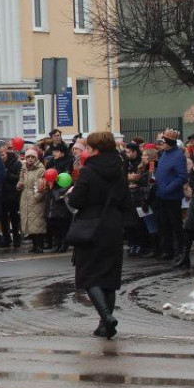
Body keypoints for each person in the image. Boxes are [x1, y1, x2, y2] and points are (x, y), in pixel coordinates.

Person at [65, 131, 132, 339]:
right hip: (113, 225)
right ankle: (104, 325)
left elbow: (77, 201)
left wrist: (71, 194)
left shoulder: (88, 170)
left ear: (95, 149)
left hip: (91, 225)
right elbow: (126, 200)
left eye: (88, 147)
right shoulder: (119, 169)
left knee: (88, 275)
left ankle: (106, 317)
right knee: (109, 277)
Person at [154, 129, 188, 262]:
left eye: (163, 142)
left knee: (175, 225)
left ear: (169, 143)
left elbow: (182, 177)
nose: (161, 145)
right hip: (161, 195)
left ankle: (179, 251)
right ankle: (167, 250)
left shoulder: (178, 156)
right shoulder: (164, 154)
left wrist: (168, 188)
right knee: (164, 224)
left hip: (172, 196)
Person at [17, 148, 47, 253]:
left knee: (37, 223)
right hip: (25, 197)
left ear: (36, 158)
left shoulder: (41, 170)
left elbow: (42, 186)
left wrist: (36, 198)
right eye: (28, 157)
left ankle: (39, 245)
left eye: (32, 157)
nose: (30, 159)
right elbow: (21, 181)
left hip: (36, 199)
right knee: (30, 223)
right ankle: (34, 246)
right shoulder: (24, 168)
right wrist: (19, 185)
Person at [0, 141, 22, 248]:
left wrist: (7, 173)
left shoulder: (17, 163)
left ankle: (16, 238)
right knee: (3, 218)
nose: (1, 157)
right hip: (2, 195)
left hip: (13, 195)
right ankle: (6, 239)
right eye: (0, 154)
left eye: (3, 154)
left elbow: (17, 178)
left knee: (14, 218)